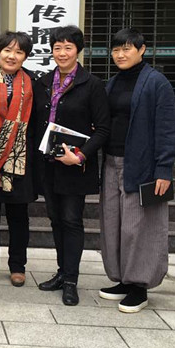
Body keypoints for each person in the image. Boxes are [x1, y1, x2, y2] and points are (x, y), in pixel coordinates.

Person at [98, 28, 175, 313]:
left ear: (141, 50)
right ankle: (122, 279)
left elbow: (167, 128)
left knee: (140, 227)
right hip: (111, 162)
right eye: (116, 50)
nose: (120, 54)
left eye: (127, 49)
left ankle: (139, 286)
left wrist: (164, 169)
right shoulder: (112, 83)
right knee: (114, 224)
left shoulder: (157, 83)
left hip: (142, 166)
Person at [33, 25, 110, 306]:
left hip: (75, 166)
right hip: (48, 164)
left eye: (68, 47)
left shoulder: (92, 85)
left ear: (78, 50)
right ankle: (61, 271)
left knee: (71, 220)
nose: (62, 53)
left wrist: (80, 156)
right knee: (55, 219)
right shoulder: (43, 82)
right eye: (57, 48)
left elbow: (103, 129)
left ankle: (71, 281)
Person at [0, 31, 37, 287]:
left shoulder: (34, 83)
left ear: (25, 56)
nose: (12, 56)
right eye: (7, 50)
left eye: (19, 52)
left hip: (19, 159)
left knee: (18, 216)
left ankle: (17, 266)